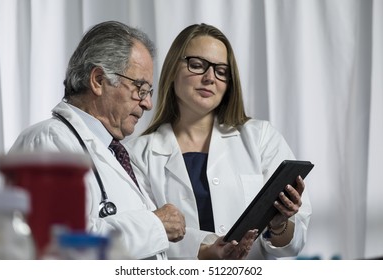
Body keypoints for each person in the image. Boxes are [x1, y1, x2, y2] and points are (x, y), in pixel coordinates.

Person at [126, 23, 312, 259]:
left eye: (221, 71)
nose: (210, 77)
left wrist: (279, 224)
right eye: (197, 65)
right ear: (173, 69)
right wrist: (201, 251)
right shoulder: (138, 154)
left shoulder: (261, 138)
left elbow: (292, 244)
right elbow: (141, 237)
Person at [8, 21, 187, 260]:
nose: (147, 104)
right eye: (140, 88)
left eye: (148, 92)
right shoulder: (47, 141)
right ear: (99, 80)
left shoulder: (113, 152)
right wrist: (155, 224)